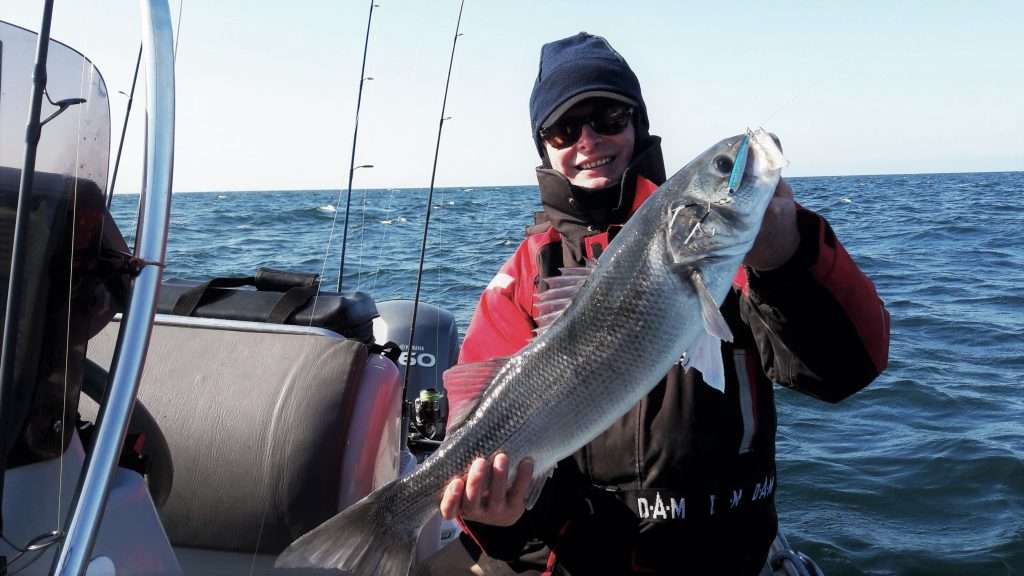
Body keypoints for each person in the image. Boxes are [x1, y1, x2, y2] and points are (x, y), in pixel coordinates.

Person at [438, 32, 890, 575]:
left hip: (733, 557)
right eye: (563, 128)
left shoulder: (742, 251)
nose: (587, 139)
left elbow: (847, 370)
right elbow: (485, 498)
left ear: (638, 124)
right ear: (546, 149)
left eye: (608, 116)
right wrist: (497, 518)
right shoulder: (523, 280)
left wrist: (787, 258)